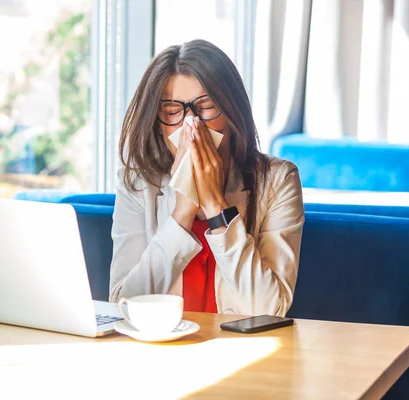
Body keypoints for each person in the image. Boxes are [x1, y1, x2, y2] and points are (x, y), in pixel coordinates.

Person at [109, 39, 304, 317]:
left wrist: (216, 206)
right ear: (157, 123)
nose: (192, 124)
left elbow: (269, 310)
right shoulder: (138, 185)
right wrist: (182, 212)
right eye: (173, 112)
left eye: (206, 106)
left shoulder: (277, 181)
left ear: (231, 111)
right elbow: (123, 305)